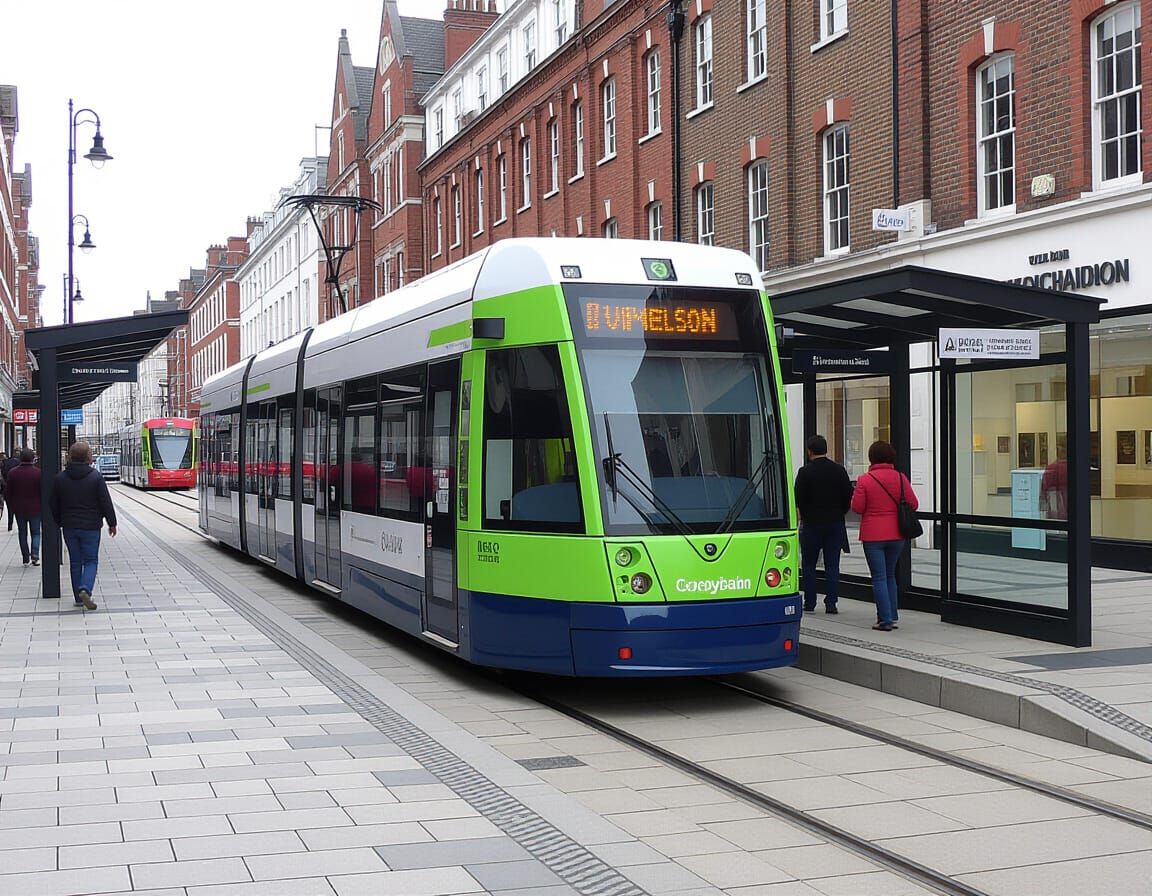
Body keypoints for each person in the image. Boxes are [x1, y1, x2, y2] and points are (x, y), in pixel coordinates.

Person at [850, 440, 919, 632]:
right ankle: (893, 615)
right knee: (890, 575)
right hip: (897, 534)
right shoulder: (900, 478)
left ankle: (884, 619)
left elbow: (857, 507)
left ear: (871, 457)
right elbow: (913, 503)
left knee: (879, 577)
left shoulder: (865, 480)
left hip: (873, 535)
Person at [49, 442, 118, 610]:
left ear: (71, 457)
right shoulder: (95, 477)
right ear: (88, 456)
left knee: (75, 561)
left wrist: (60, 521)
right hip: (91, 526)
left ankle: (78, 598)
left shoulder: (60, 478)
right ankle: (85, 588)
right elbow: (105, 502)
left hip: (69, 526)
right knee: (91, 560)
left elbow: (53, 503)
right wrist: (112, 523)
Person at [794, 434, 853, 614]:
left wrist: (803, 516)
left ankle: (810, 602)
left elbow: (798, 500)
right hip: (834, 523)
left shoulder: (804, 472)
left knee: (809, 564)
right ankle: (831, 602)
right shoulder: (839, 471)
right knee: (832, 565)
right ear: (826, 449)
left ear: (809, 451)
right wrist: (838, 512)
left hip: (811, 523)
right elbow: (847, 498)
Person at [5, 448, 42, 566]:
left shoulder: (13, 472)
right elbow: (42, 491)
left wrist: (12, 505)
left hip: (19, 508)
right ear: (32, 458)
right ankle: (35, 554)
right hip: (35, 507)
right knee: (36, 532)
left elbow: (8, 492)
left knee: (22, 532)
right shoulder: (38, 473)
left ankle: (25, 557)